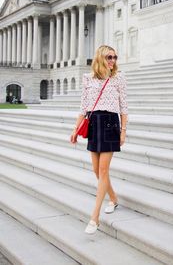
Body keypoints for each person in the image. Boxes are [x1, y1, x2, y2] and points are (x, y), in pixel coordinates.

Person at [70, 45, 128, 234]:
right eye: (109, 57)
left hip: (111, 123)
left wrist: (124, 130)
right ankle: (113, 198)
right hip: (94, 122)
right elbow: (83, 107)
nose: (113, 60)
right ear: (100, 58)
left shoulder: (118, 78)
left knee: (103, 170)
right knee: (97, 170)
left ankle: (94, 218)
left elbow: (124, 107)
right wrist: (75, 129)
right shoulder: (88, 78)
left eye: (115, 57)